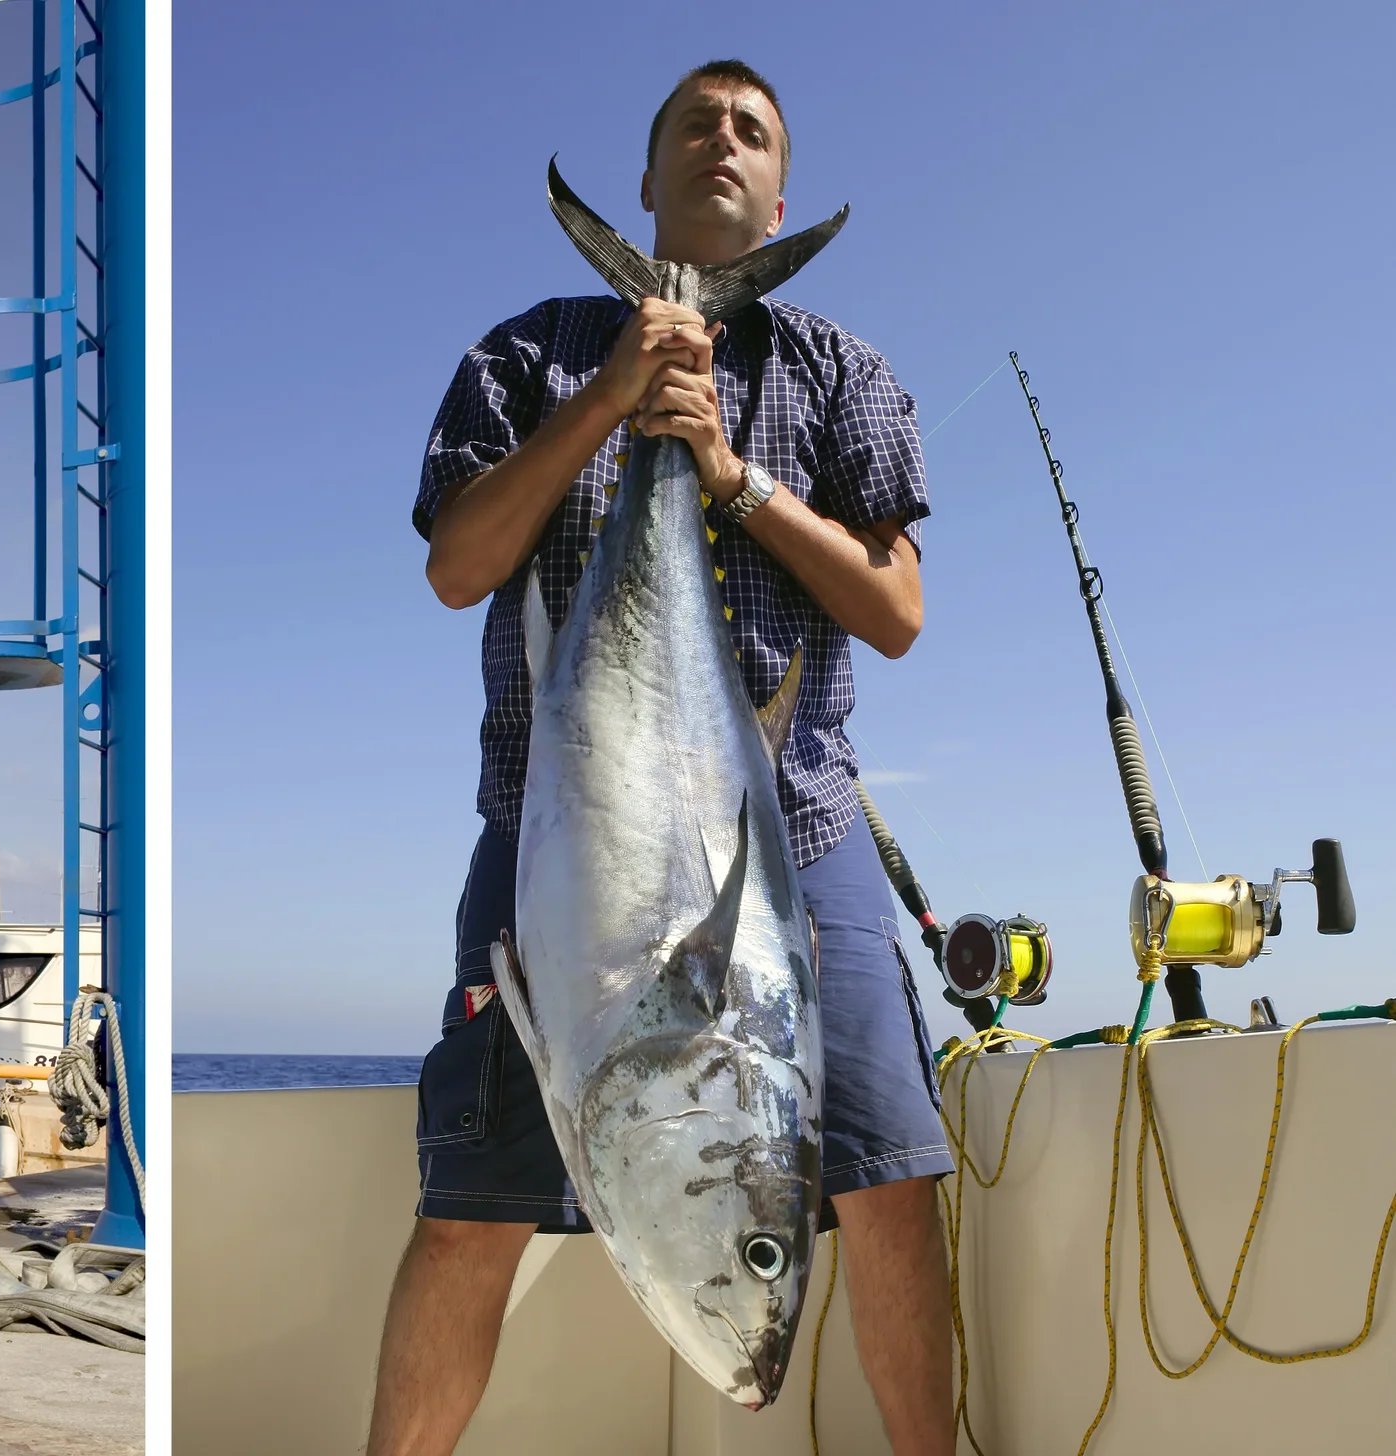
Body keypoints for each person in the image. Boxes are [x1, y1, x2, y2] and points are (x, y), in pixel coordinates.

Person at [370, 60, 953, 1456]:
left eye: (752, 133)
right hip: (551, 838)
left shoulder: (838, 371)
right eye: (697, 125)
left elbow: (897, 610)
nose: (723, 146)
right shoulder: (527, 355)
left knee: (890, 1183)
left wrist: (732, 475)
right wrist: (618, 396)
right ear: (646, 182)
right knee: (468, 1210)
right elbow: (460, 566)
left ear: (779, 193)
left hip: (797, 840)